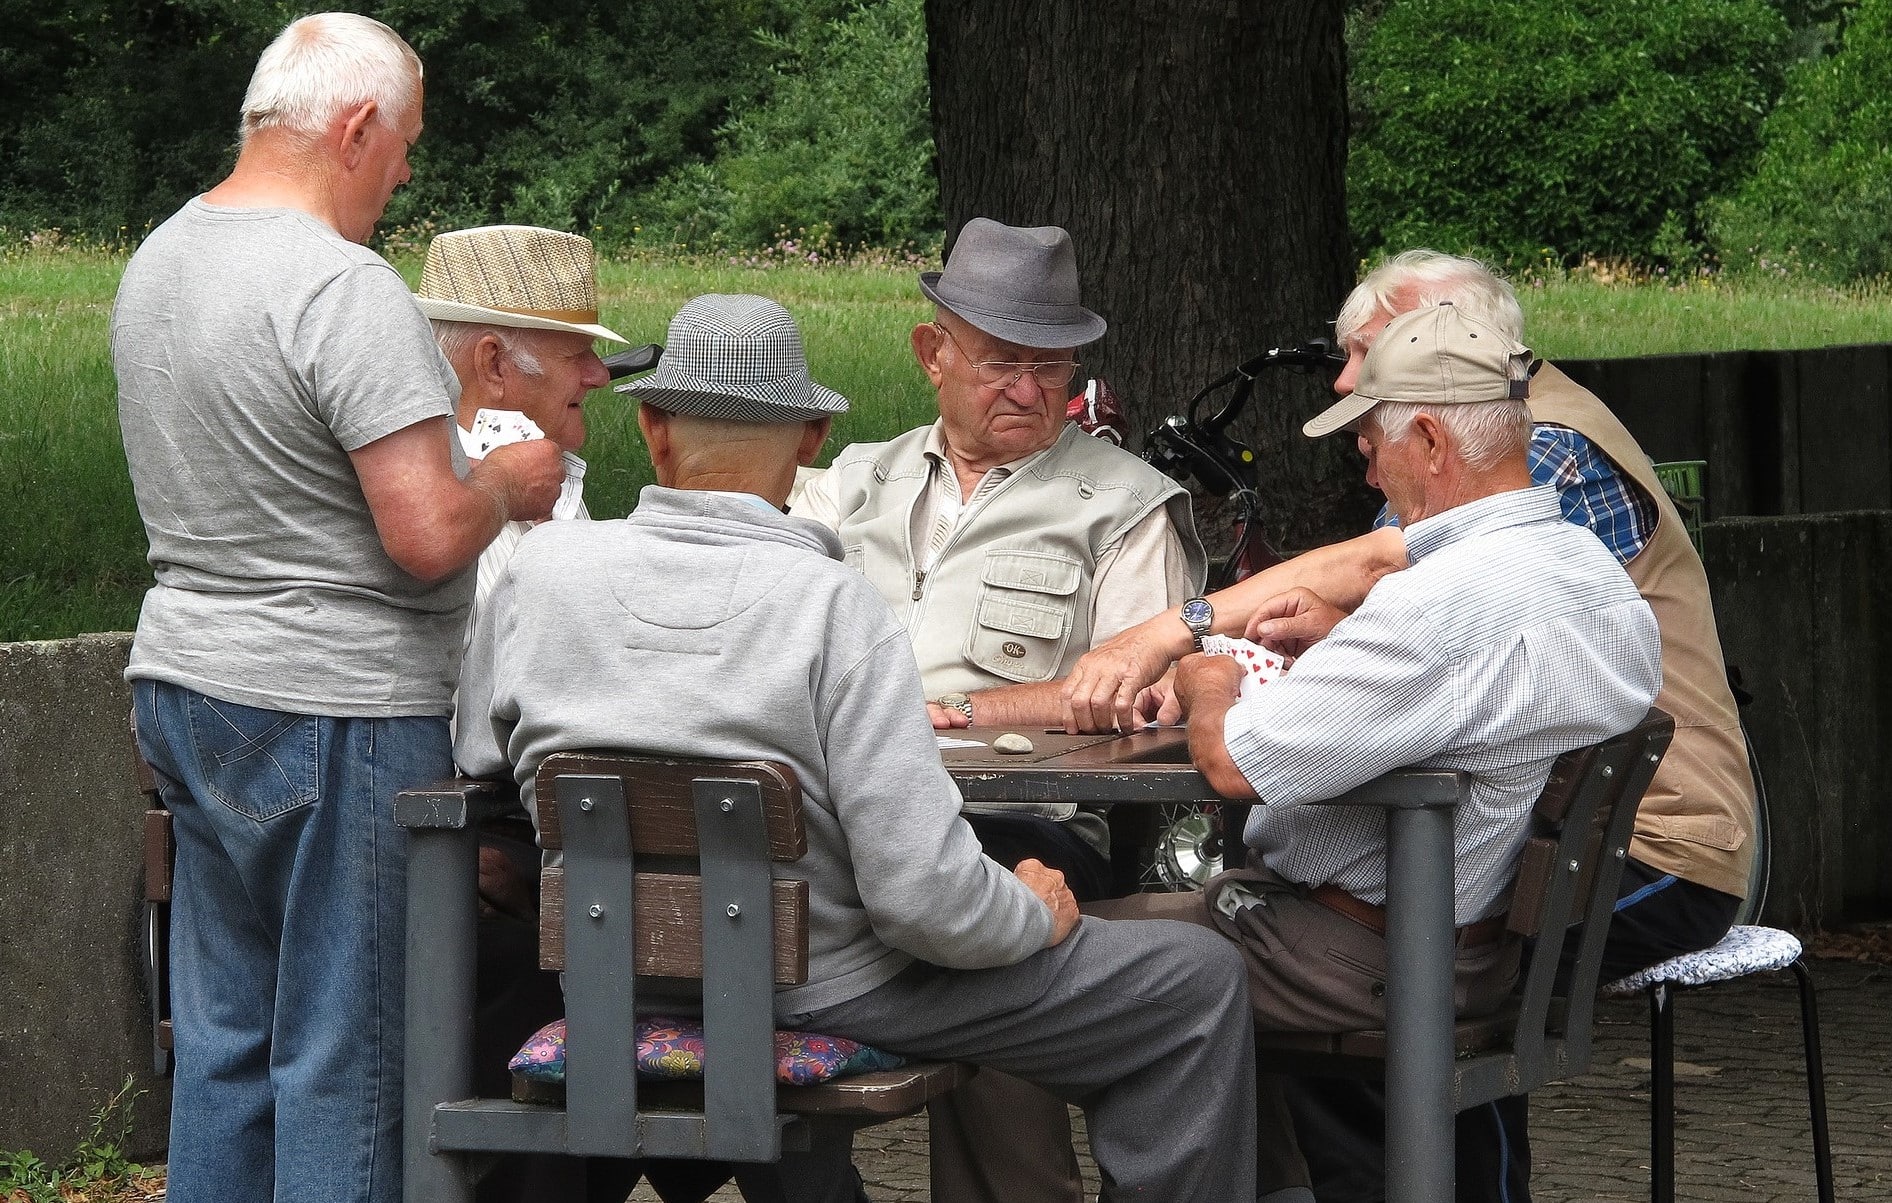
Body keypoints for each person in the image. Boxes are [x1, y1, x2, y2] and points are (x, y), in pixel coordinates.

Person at [455, 293, 1261, 1203]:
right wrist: (1032, 911)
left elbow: (480, 764)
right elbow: (925, 904)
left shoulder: (538, 573)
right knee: (1196, 978)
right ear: (809, 441)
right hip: (819, 984)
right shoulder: (835, 605)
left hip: (605, 971)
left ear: (650, 428)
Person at [113, 16, 565, 1203]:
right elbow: (423, 536)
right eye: (406, 143)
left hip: (184, 683)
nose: (407, 171)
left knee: (227, 1045)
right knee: (349, 1056)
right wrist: (507, 484)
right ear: (356, 127)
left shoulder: (159, 258)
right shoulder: (341, 286)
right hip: (336, 707)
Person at [1089, 302, 1663, 1199]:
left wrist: (1208, 678)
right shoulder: (1594, 577)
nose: (1361, 460)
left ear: (1430, 439)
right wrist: (1340, 656)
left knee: (1027, 962)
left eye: (1368, 440)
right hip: (1481, 951)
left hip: (1358, 958)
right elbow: (1465, 707)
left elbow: (1236, 763)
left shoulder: (1441, 604)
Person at [1278, 251, 1759, 1203]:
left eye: (1368, 351)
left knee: (1453, 963)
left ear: (1456, 350)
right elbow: (1424, 635)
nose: (1343, 383)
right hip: (1550, 824)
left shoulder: (1547, 450)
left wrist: (1205, 631)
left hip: (1659, 843)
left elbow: (1454, 621)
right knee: (1386, 960)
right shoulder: (1474, 444)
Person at [792, 217, 1206, 1202]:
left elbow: (1141, 698)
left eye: (1050, 367)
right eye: (1000, 363)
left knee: (984, 905)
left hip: (1016, 820)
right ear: (931, 354)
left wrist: (976, 711)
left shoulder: (1124, 504)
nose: (1028, 391)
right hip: (834, 829)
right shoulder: (849, 483)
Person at [416, 223, 625, 618]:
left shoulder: (552, 473)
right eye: (575, 355)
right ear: (493, 364)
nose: (599, 375)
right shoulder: (436, 508)